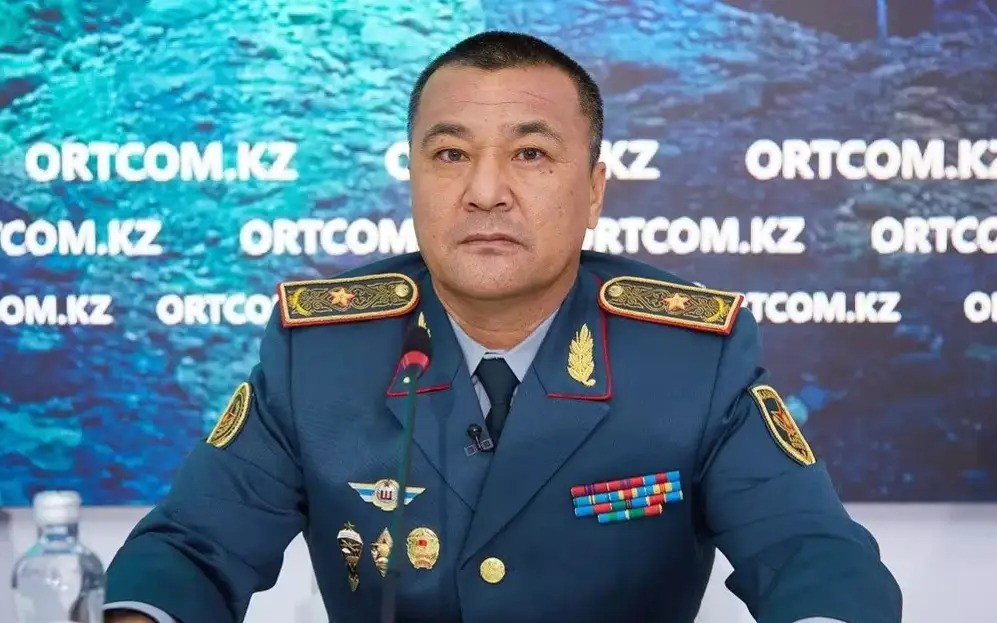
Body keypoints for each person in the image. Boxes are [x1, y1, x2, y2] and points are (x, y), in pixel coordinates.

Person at [103, 30, 902, 623]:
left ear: (593, 191)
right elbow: (192, 548)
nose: (485, 191)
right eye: (450, 155)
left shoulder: (690, 356)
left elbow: (809, 550)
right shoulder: (321, 352)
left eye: (529, 155)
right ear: (412, 178)